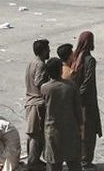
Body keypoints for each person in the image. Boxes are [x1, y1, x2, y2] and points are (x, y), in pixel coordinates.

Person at [41, 58, 81, 171]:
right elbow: (78, 109)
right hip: (70, 130)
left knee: (54, 163)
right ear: (60, 70)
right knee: (74, 162)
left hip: (52, 131)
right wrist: (80, 127)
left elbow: (42, 110)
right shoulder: (71, 86)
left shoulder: (45, 88)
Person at [68, 32, 100, 169]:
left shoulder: (75, 57)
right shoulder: (89, 60)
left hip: (77, 101)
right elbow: (88, 80)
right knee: (89, 132)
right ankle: (86, 160)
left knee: (80, 131)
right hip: (87, 102)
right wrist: (80, 95)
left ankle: (80, 158)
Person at [25, 40, 50, 171]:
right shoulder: (41, 64)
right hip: (37, 103)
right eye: (48, 49)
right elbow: (39, 82)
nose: (49, 51)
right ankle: (33, 162)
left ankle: (34, 160)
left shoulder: (31, 63)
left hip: (31, 101)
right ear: (43, 50)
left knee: (33, 134)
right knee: (36, 134)